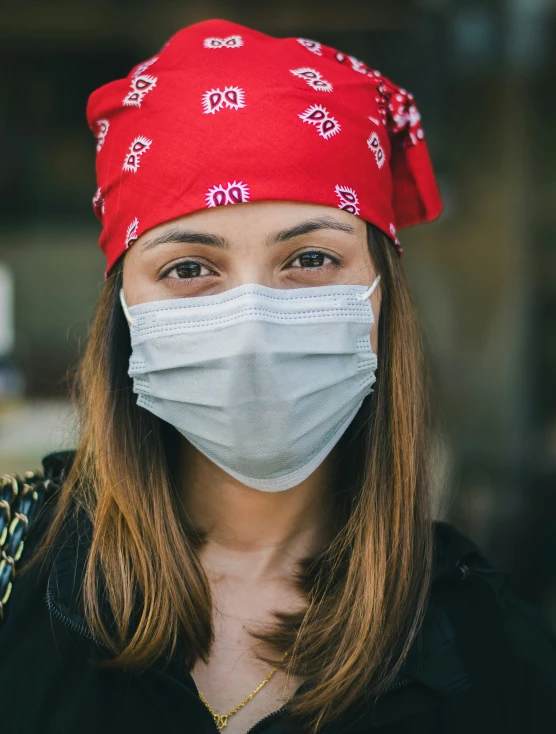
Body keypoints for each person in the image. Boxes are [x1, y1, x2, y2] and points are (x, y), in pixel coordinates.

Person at [0, 18, 555, 734]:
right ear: (125, 311)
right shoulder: (18, 579)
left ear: (382, 296)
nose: (254, 320)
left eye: (311, 259)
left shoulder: (501, 662)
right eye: (190, 268)